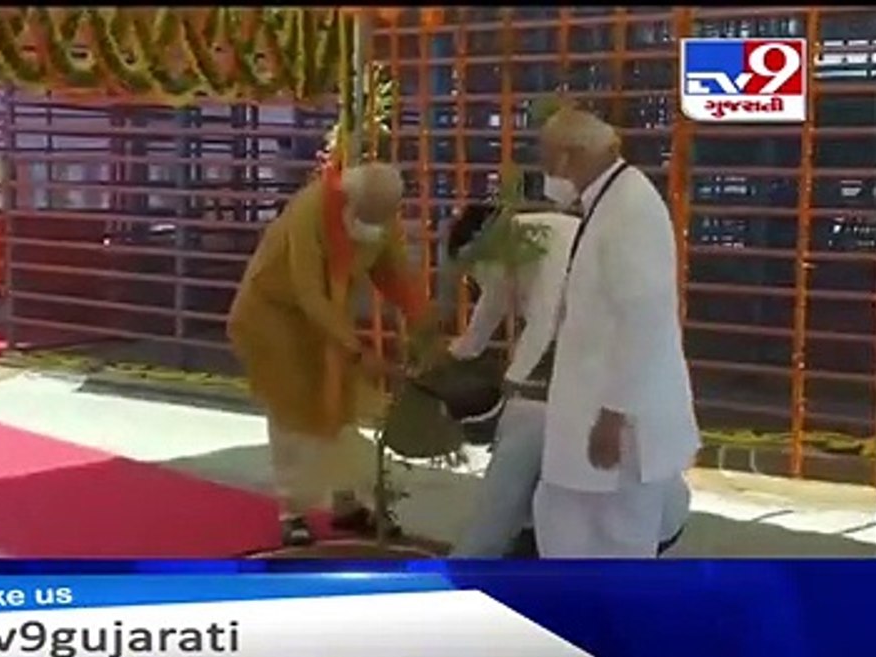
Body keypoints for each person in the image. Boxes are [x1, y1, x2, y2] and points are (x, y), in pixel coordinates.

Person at [443, 201, 689, 558]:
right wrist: (459, 352)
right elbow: (491, 306)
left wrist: (514, 379)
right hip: (665, 519)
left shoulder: (554, 242)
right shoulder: (511, 245)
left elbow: (487, 534)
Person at [228, 161, 432, 546]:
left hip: (328, 316)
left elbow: (397, 278)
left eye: (382, 218)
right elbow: (309, 293)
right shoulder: (310, 211)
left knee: (343, 405)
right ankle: (294, 511)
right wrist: (356, 352)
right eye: (367, 216)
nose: (375, 226)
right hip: (275, 316)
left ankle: (348, 504)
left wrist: (427, 332)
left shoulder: (380, 220)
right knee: (294, 412)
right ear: (347, 199)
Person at [532, 108, 700, 558]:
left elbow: (643, 319)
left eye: (547, 158)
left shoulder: (629, 209)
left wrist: (613, 414)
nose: (545, 171)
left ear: (570, 157)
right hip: (595, 412)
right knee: (564, 527)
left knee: (613, 544)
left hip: (617, 422)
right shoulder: (610, 201)